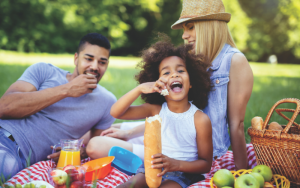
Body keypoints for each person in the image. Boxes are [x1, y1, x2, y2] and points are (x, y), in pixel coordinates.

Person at [88, 0, 253, 171]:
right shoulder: (192, 57)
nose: (184, 36)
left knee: (95, 144)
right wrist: (129, 133)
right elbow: (172, 116)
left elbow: (237, 124)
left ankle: (145, 162)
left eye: (190, 27)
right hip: (167, 131)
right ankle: (70, 147)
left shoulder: (234, 61)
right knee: (103, 130)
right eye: (184, 30)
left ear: (209, 25)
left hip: (186, 151)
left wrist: (241, 172)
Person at [0, 33, 117, 179]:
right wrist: (67, 90)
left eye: (102, 62)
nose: (94, 67)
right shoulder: (44, 71)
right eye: (88, 58)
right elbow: (4, 108)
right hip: (4, 137)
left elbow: (95, 145)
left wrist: (83, 151)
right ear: (76, 58)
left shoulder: (107, 103)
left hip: (20, 159)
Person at [111, 40, 213, 188]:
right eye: (166, 72)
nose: (174, 75)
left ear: (191, 82)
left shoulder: (200, 119)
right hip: (151, 169)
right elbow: (116, 112)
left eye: (180, 71)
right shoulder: (155, 110)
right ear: (157, 82)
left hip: (183, 174)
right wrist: (139, 89)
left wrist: (176, 164)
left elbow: (205, 165)